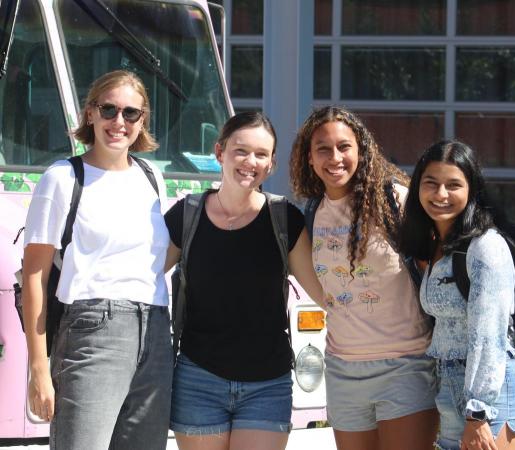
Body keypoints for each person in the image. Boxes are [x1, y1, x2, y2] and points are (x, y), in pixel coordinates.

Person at [21, 70, 172, 449]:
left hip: (155, 328)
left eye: (131, 113)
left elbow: (152, 261)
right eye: (109, 109)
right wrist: (39, 367)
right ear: (90, 113)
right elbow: (35, 278)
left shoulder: (153, 177)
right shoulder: (61, 178)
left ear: (142, 120)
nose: (118, 122)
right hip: (92, 328)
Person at [163, 112, 325, 450]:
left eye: (261, 154)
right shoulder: (186, 215)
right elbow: (135, 279)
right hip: (197, 380)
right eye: (241, 151)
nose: (250, 161)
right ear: (219, 152)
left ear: (272, 164)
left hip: (268, 384)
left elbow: (326, 295)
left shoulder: (284, 220)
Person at [289, 106, 438, 450]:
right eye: (323, 149)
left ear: (361, 150)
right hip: (342, 370)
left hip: (406, 365)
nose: (335, 157)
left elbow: (437, 271)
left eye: (344, 147)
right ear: (309, 158)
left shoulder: (395, 201)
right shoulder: (310, 215)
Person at [399, 140, 515, 450]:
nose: (441, 194)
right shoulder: (435, 248)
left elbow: (489, 335)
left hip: (490, 397)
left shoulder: (485, 246)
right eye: (430, 183)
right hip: (450, 388)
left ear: (472, 190)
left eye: (453, 185)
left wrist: (478, 413)